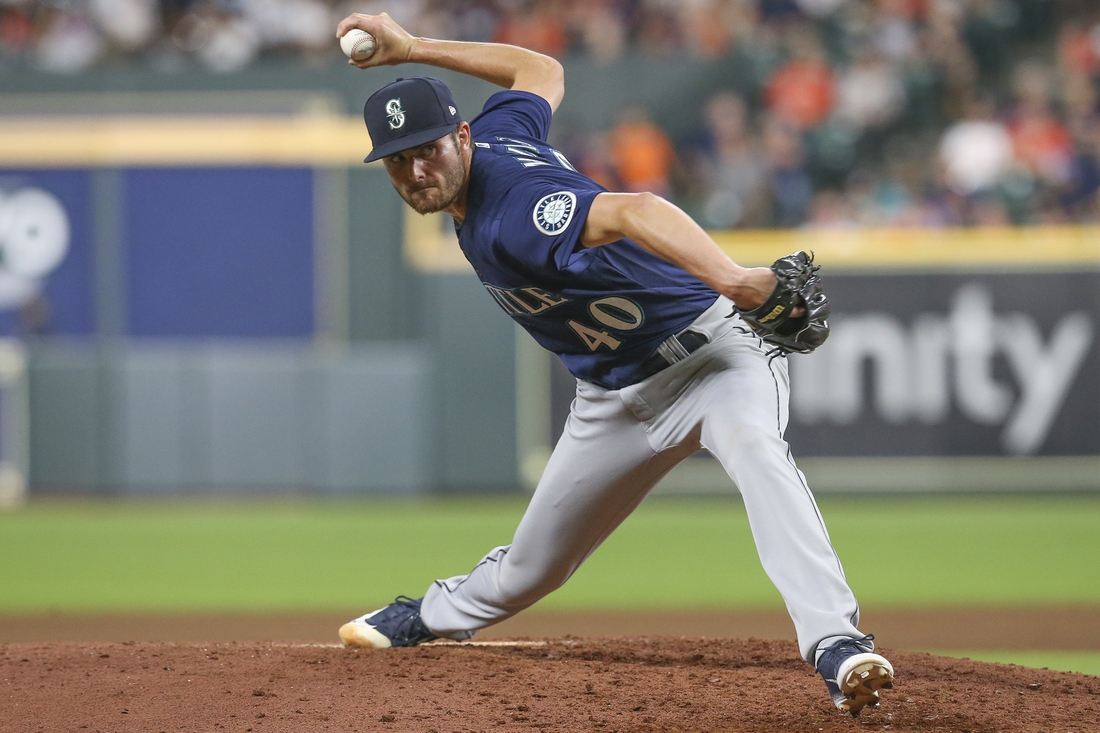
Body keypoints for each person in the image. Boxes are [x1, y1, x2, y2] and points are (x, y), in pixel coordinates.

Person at [334, 11, 894, 718]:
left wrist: (731, 279)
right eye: (399, 157)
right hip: (612, 397)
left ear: (463, 135)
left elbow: (634, 209)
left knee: (757, 449)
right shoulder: (502, 137)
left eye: (429, 150)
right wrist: (412, 49)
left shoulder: (515, 210)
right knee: (534, 565)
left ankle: (836, 643)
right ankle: (432, 613)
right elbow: (542, 71)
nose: (417, 169)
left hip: (713, 359)